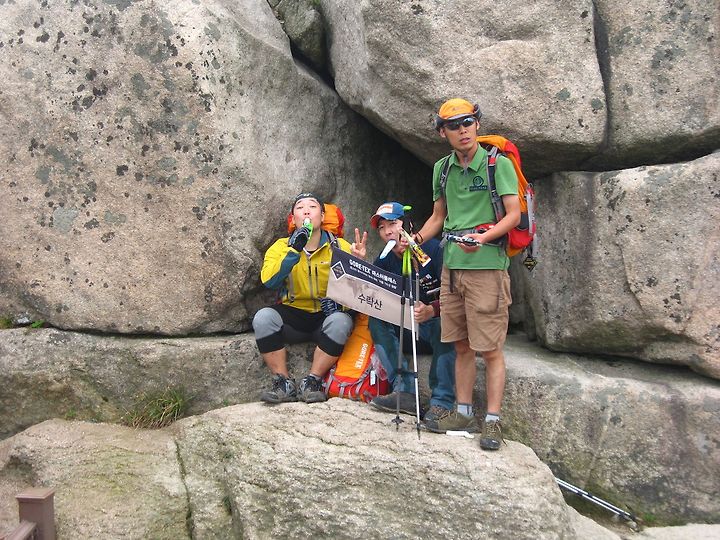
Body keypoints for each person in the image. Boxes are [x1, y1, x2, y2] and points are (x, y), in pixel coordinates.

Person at [413, 98, 521, 450]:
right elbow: (438, 216)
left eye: (468, 123)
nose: (463, 130)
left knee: (490, 349)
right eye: (454, 126)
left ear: (477, 124)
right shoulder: (442, 169)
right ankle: (462, 413)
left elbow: (514, 215)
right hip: (452, 267)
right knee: (460, 344)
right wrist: (414, 240)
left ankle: (492, 421)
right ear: (442, 132)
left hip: (487, 266)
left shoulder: (497, 164)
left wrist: (484, 238)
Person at [253, 192, 366, 404]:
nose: (306, 211)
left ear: (322, 216)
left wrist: (358, 264)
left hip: (326, 316)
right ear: (293, 218)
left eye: (312, 207)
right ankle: (283, 383)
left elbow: (358, 293)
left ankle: (313, 381)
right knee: (263, 318)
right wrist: (293, 252)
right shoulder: (280, 247)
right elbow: (269, 281)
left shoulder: (340, 246)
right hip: (293, 314)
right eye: (300, 207)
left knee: (341, 321)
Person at [365, 202, 456, 423]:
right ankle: (405, 391)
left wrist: (432, 310)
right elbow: (371, 298)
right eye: (382, 228)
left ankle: (441, 403)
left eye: (392, 224)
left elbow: (456, 294)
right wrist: (360, 264)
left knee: (447, 324)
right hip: (407, 329)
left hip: (435, 327)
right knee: (376, 319)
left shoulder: (434, 249)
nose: (387, 232)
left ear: (407, 225)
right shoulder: (384, 259)